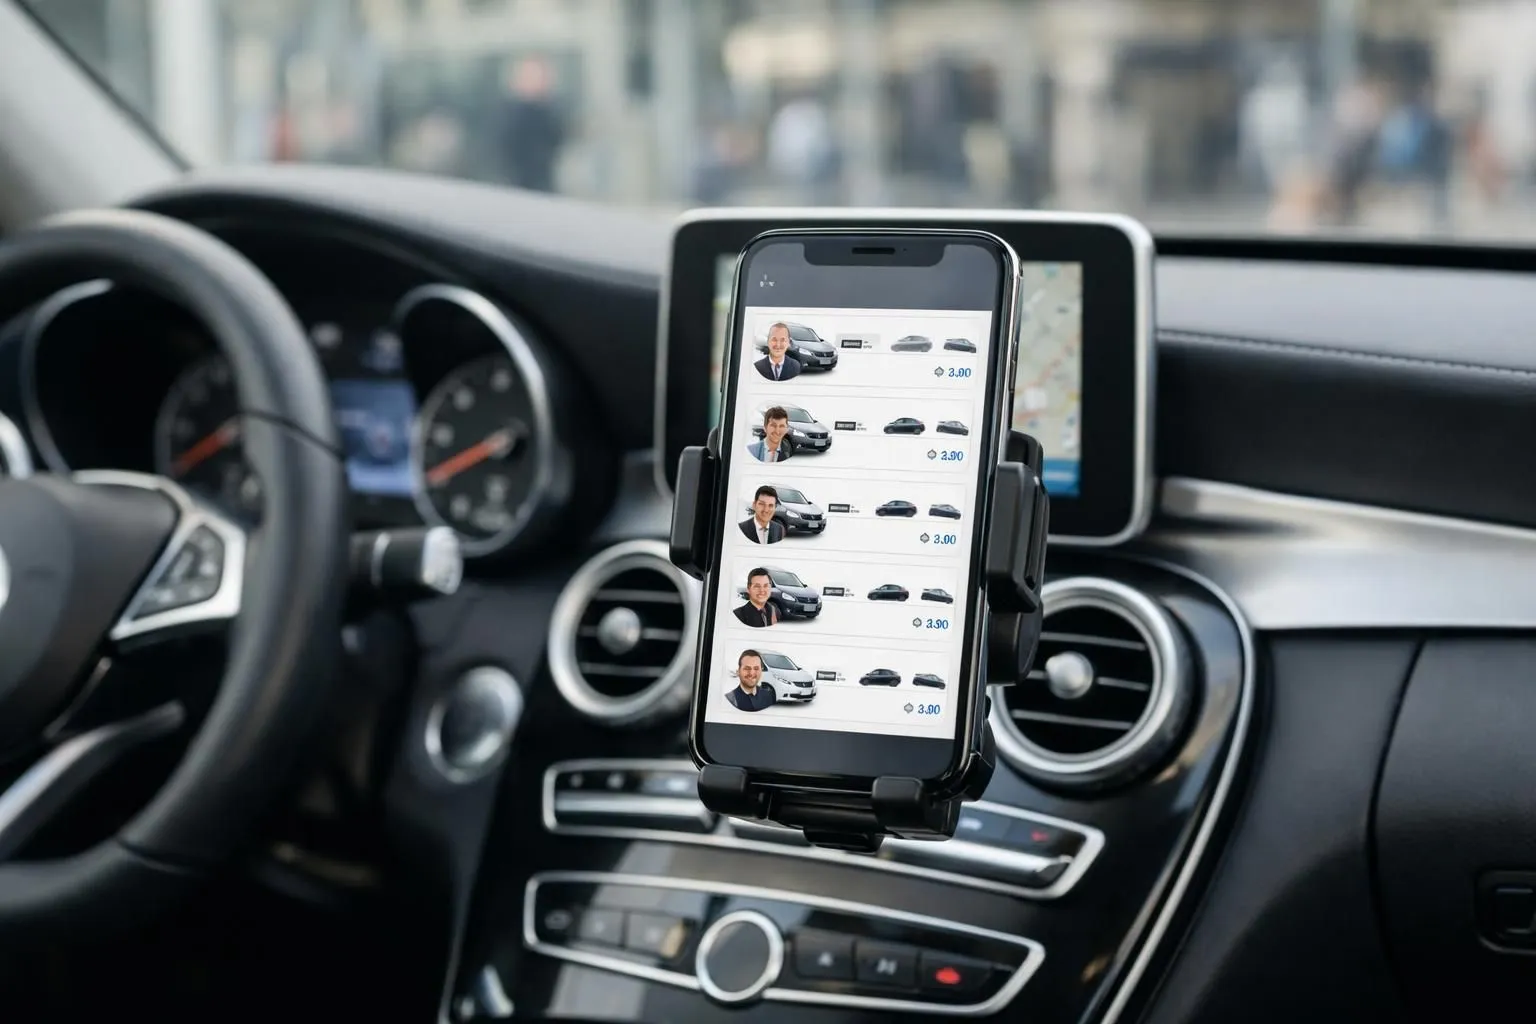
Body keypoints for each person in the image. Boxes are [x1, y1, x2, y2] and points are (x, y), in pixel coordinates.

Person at [498, 55, 566, 193]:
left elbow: (555, 142)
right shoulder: (509, 114)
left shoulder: (549, 113)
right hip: (514, 188)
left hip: (542, 188)